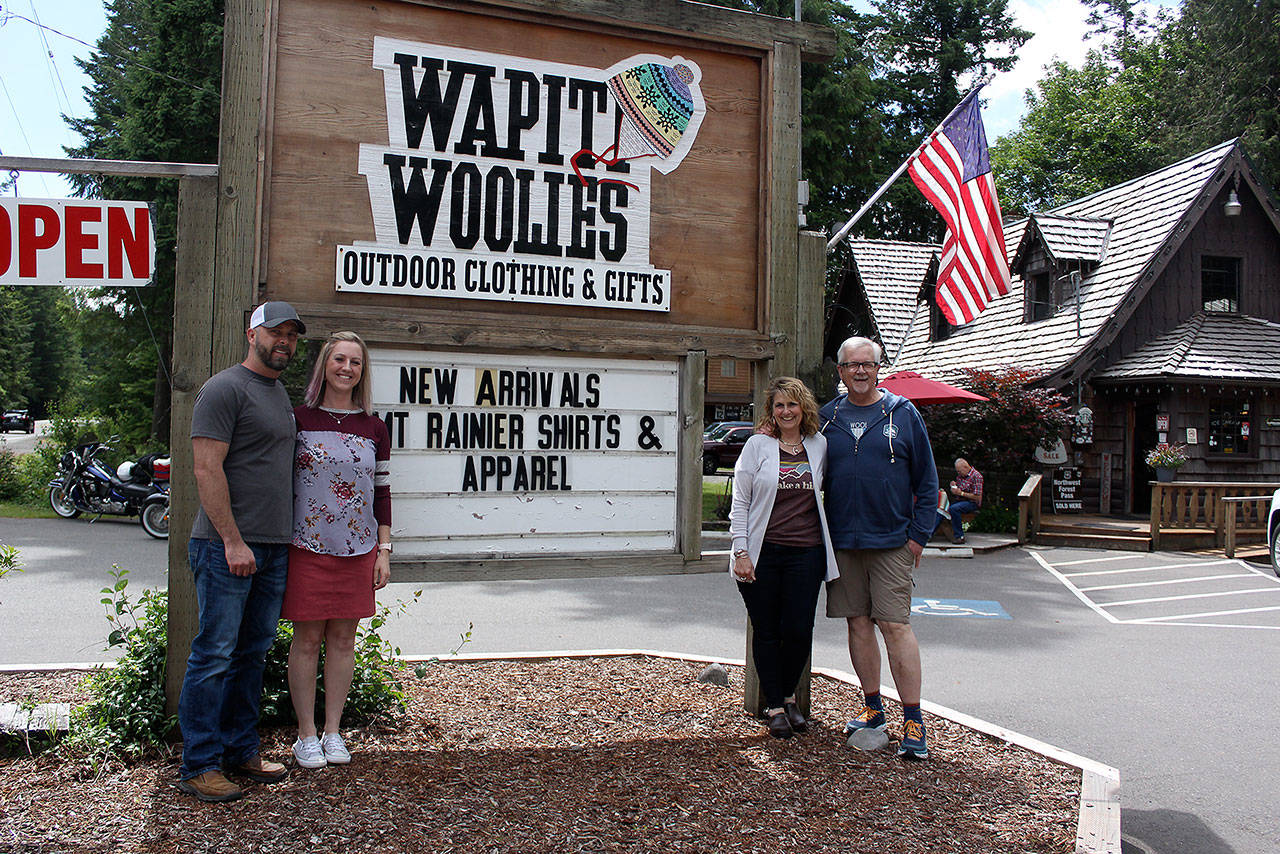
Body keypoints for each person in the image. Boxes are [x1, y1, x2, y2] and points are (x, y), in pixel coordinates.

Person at [178, 301, 305, 802]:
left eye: (292, 336)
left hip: (273, 548)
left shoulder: (278, 395)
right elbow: (207, 469)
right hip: (226, 548)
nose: (285, 342)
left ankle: (241, 750)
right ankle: (199, 765)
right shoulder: (224, 388)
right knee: (213, 655)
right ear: (251, 333)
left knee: (250, 655)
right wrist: (232, 540)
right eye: (277, 332)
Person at [820, 336, 938, 760]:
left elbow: (927, 482)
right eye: (852, 365)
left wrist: (918, 536)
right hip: (843, 543)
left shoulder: (903, 414)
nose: (860, 372)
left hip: (891, 542)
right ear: (840, 371)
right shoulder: (826, 419)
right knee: (857, 624)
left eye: (867, 364)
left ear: (878, 367)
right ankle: (872, 709)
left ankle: (913, 719)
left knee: (896, 626)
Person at [284, 331, 392, 769]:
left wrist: (383, 549)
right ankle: (305, 735)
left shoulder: (374, 427)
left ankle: (333, 731)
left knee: (344, 639)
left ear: (362, 373)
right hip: (306, 547)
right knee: (307, 640)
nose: (347, 368)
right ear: (324, 365)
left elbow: (381, 491)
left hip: (358, 548)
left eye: (355, 363)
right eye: (339, 360)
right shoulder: (299, 419)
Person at [729, 377, 839, 739]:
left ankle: (789, 694)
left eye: (792, 405)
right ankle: (776, 705)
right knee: (767, 629)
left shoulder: (818, 445)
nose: (786, 411)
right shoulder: (758, 445)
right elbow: (741, 502)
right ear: (771, 411)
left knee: (798, 630)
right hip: (763, 553)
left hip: (806, 552)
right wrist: (741, 552)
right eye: (779, 406)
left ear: (803, 408)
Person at [936, 458, 983, 544]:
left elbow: (977, 497)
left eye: (959, 471)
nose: (958, 473)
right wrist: (954, 487)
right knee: (942, 507)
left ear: (965, 467)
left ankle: (959, 536)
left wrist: (960, 493)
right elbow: (958, 491)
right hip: (960, 500)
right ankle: (931, 532)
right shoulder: (961, 476)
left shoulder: (977, 476)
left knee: (954, 509)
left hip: (972, 503)